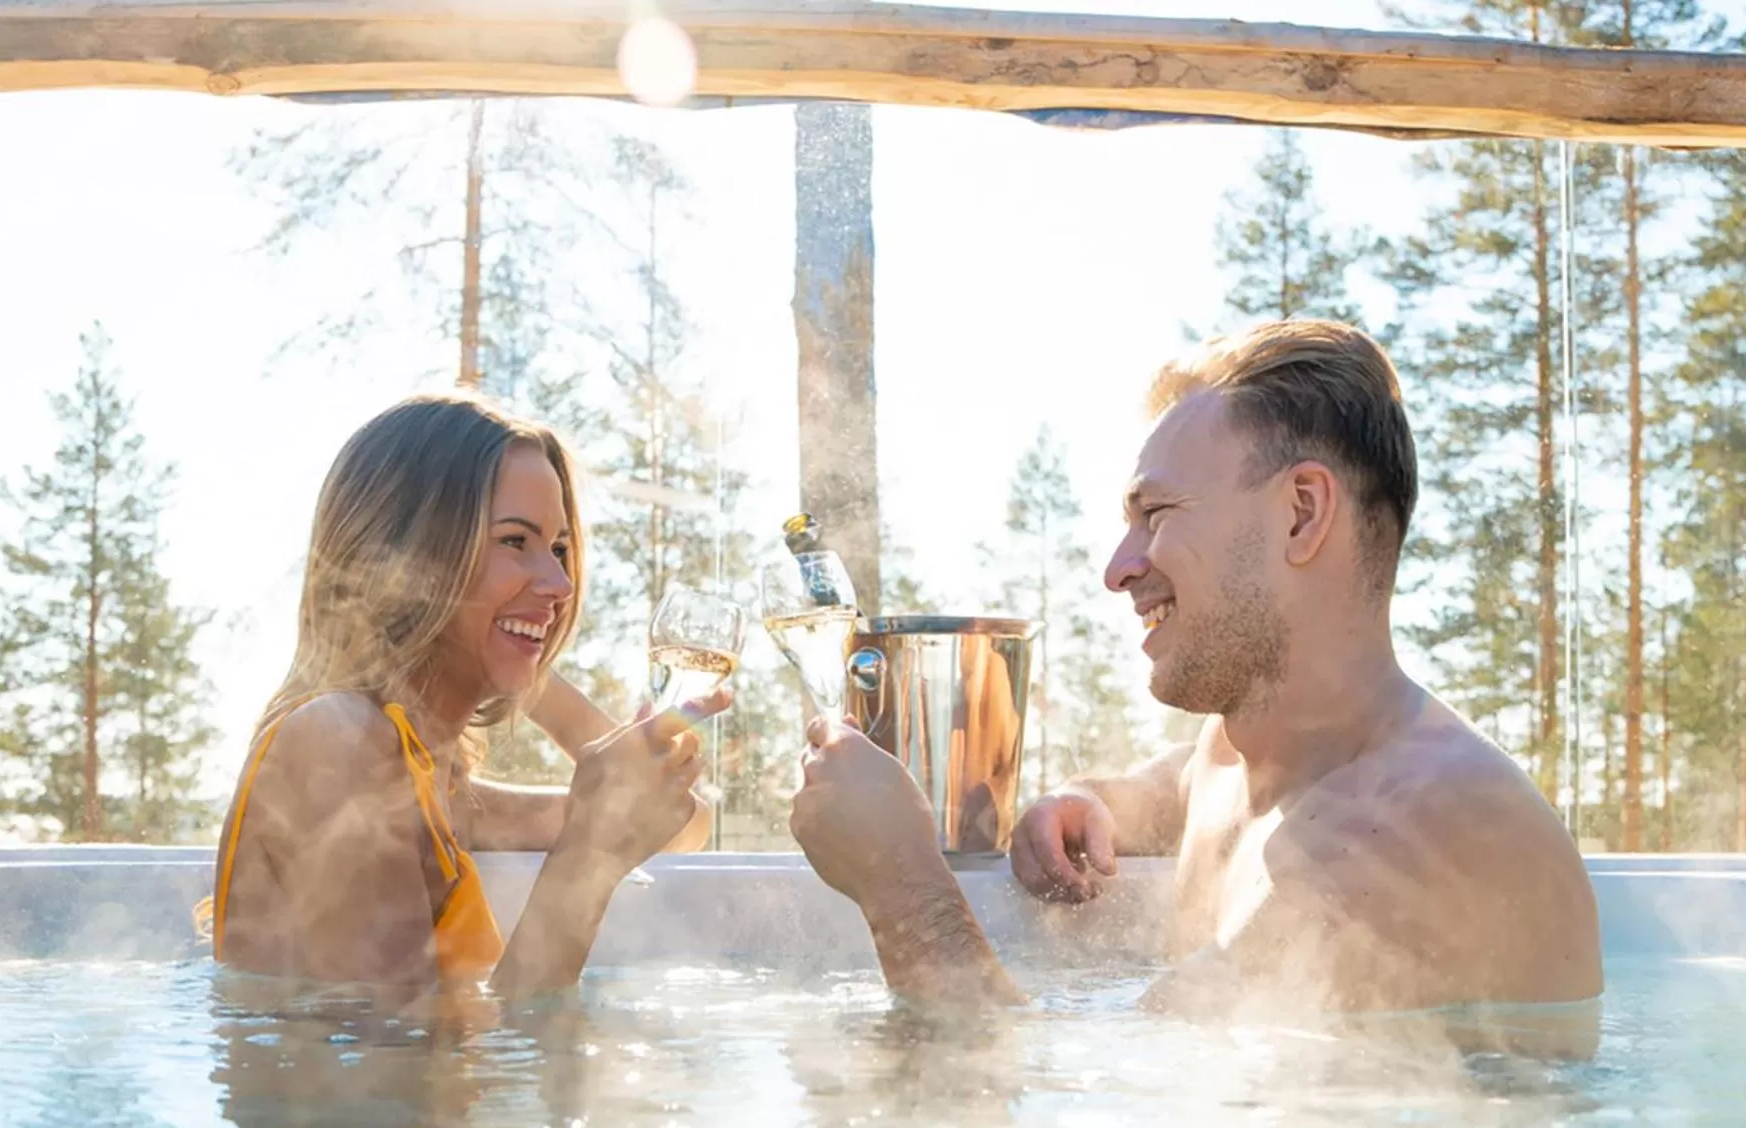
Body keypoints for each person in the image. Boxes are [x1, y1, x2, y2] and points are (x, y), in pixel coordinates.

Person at [790, 320, 1602, 1028]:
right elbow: (1179, 786)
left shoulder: (1421, 830)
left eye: (1159, 514)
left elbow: (1064, 1106)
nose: (1118, 568)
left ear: (1302, 514)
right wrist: (1087, 800)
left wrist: (898, 881)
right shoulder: (1252, 752)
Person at [209, 392, 728, 992]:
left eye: (559, 549)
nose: (560, 583)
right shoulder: (336, 742)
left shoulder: (437, 789)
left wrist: (524, 654)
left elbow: (684, 825)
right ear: (408, 560)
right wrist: (587, 861)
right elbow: (406, 1071)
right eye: (515, 542)